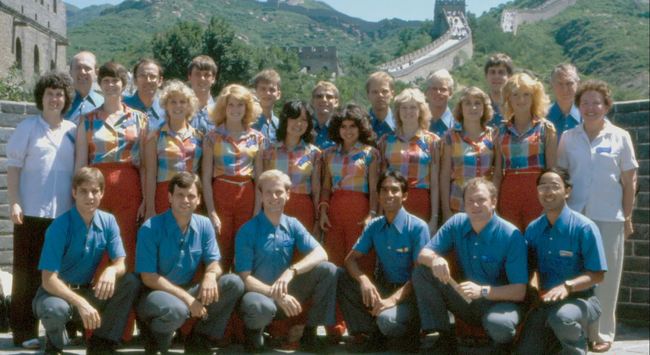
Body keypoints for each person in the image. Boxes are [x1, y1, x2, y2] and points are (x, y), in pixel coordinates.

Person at [557, 80, 638, 353]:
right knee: (576, 274)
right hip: (576, 218)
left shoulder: (620, 137)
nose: (591, 108)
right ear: (579, 106)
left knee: (607, 276)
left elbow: (630, 182)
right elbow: (561, 178)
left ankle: (602, 332)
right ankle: (576, 330)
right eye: (585, 102)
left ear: (606, 105)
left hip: (609, 217)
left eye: (597, 102)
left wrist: (627, 216)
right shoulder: (568, 137)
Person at [412, 177, 528, 354]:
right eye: (470, 201)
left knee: (500, 326)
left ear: (494, 202)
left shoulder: (511, 235)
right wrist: (435, 259)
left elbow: (519, 292)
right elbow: (423, 255)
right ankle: (442, 337)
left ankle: (503, 346)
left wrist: (483, 291)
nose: (475, 205)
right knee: (423, 272)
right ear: (464, 204)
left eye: (481, 200)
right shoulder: (457, 222)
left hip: (499, 303)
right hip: (465, 298)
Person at [33, 167, 140, 354]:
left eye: (95, 191)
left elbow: (120, 262)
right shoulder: (60, 226)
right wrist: (81, 304)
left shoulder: (108, 221)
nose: (90, 197)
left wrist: (112, 270)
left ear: (102, 193)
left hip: (87, 290)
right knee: (54, 310)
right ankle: (55, 344)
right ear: (74, 193)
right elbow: (48, 279)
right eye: (83, 191)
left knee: (129, 282)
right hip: (55, 294)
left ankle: (102, 343)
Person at [136, 172, 244, 354]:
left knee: (233, 283)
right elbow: (148, 277)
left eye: (191, 196)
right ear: (169, 197)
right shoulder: (150, 227)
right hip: (155, 294)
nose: (185, 200)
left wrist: (210, 275)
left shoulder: (204, 225)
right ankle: (155, 337)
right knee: (177, 309)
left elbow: (214, 262)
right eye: (180, 195)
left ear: (199, 200)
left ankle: (199, 338)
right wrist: (187, 300)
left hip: (189, 289)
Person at [7, 71, 77, 349]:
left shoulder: (73, 131)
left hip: (63, 215)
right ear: (42, 97)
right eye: (50, 93)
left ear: (66, 99)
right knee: (26, 275)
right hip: (30, 213)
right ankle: (23, 333)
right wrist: (14, 201)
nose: (54, 98)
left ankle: (61, 330)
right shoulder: (27, 128)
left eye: (59, 94)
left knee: (60, 274)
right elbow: (13, 170)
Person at [235, 170, 338, 352]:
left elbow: (321, 253)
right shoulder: (247, 230)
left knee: (328, 270)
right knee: (259, 307)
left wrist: (292, 271)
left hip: (287, 290)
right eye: (268, 192)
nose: (274, 197)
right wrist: (276, 294)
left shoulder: (292, 224)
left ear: (288, 195)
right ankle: (254, 332)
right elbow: (245, 278)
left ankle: (310, 331)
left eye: (279, 192)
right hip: (259, 294)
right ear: (260, 195)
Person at [515, 167, 607, 355]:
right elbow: (529, 269)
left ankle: (577, 348)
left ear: (567, 191)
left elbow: (597, 274)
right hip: (546, 302)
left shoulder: (584, 228)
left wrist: (568, 286)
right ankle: (556, 345)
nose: (548, 192)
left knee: (562, 317)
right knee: (525, 351)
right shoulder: (533, 229)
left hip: (582, 300)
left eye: (555, 187)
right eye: (543, 187)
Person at [338, 171, 429, 353]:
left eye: (394, 190)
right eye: (384, 190)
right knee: (340, 276)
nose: (389, 195)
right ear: (378, 195)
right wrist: (364, 281)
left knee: (388, 321)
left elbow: (420, 274)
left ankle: (403, 335)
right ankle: (367, 333)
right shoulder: (375, 225)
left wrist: (393, 300)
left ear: (404, 196)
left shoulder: (418, 227)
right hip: (383, 287)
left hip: (410, 294)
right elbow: (350, 260)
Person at [75, 61, 149, 271]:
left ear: (124, 84)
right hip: (95, 187)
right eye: (106, 81)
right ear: (100, 84)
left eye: (115, 80)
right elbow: (81, 162)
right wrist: (78, 195)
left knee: (125, 240)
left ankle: (125, 298)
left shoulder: (139, 119)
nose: (110, 85)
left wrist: (145, 198)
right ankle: (97, 295)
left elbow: (144, 164)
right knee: (96, 240)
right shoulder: (87, 120)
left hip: (128, 187)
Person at [202, 84, 266, 272]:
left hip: (246, 193)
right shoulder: (212, 137)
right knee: (221, 246)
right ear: (224, 106)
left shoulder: (257, 138)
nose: (235, 109)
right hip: (221, 192)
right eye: (231, 104)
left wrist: (256, 211)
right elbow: (205, 177)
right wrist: (212, 211)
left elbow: (260, 177)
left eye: (240, 105)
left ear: (247, 108)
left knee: (244, 246)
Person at [493, 72, 557, 232]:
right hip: (509, 193)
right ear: (508, 98)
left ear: (534, 97)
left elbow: (551, 171)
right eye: (515, 95)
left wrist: (550, 202)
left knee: (536, 243)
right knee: (511, 243)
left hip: (536, 193)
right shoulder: (500, 131)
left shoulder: (546, 128)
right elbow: (498, 173)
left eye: (526, 94)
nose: (521, 100)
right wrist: (494, 201)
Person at [320, 104, 379, 273]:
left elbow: (374, 188)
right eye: (343, 126)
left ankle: (361, 298)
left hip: (359, 208)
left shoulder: (370, 153)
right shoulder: (329, 154)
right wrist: (323, 211)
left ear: (361, 127)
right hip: (335, 208)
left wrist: (372, 214)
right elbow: (325, 187)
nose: (348, 131)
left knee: (360, 257)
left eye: (352, 126)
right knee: (334, 255)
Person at [378, 88, 440, 232]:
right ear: (398, 112)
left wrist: (435, 217)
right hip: (392, 198)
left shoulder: (433, 141)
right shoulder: (386, 141)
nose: (408, 111)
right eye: (404, 107)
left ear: (421, 111)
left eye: (413, 107)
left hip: (420, 199)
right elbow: (381, 180)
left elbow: (435, 182)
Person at [144, 80, 202, 219]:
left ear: (189, 106)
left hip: (190, 194)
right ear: (166, 106)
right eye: (173, 102)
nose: (178, 106)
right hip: (165, 194)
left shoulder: (199, 137)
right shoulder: (155, 137)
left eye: (182, 102)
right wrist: (150, 207)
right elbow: (150, 174)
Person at [263, 100, 321, 232]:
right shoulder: (270, 151)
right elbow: (263, 185)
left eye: (304, 120)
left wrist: (317, 218)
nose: (298, 124)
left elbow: (316, 189)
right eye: (294, 118)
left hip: (303, 208)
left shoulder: (314, 153)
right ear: (285, 120)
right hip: (274, 206)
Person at [440, 86, 496, 221]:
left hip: (485, 205)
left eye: (477, 103)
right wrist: (446, 210)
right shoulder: (450, 137)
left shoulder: (493, 135)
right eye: (468, 103)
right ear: (461, 107)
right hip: (458, 204)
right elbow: (445, 175)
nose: (473, 107)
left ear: (484, 108)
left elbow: (497, 173)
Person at [123, 58, 165, 130]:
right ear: (135, 80)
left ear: (160, 81)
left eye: (152, 76)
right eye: (143, 76)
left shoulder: (166, 111)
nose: (148, 80)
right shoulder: (121, 108)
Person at [65, 51, 104, 123]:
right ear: (70, 71)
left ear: (96, 73)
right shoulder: (59, 102)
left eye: (87, 68)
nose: (82, 72)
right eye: (78, 67)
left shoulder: (103, 104)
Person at [547, 63, 581, 141]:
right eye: (560, 84)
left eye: (569, 83)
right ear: (552, 85)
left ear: (578, 84)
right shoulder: (541, 118)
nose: (565, 89)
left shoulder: (589, 116)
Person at [187, 55, 218, 135]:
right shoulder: (179, 109)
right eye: (197, 74)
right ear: (189, 77)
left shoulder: (221, 111)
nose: (202, 78)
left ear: (213, 79)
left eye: (207, 75)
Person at [252, 69, 282, 144]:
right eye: (263, 89)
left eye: (272, 89)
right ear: (255, 92)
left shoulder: (280, 125)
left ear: (278, 95)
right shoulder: (247, 122)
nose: (267, 93)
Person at [483, 53, 513, 128]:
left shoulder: (516, 105)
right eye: (492, 72)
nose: (496, 76)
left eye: (501, 72)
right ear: (486, 76)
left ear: (509, 76)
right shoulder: (480, 105)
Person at [426, 69, 456, 137]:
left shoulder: (457, 126)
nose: (438, 92)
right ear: (427, 92)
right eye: (434, 88)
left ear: (450, 93)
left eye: (443, 89)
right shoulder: (415, 123)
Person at [366, 71, 396, 139]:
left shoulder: (402, 124)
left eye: (384, 91)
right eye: (375, 92)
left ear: (392, 94)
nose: (380, 95)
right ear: (368, 95)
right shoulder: (360, 125)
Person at [310, 81, 340, 150]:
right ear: (312, 101)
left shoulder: (343, 128)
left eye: (329, 97)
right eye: (319, 96)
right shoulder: (304, 127)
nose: (324, 100)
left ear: (336, 102)